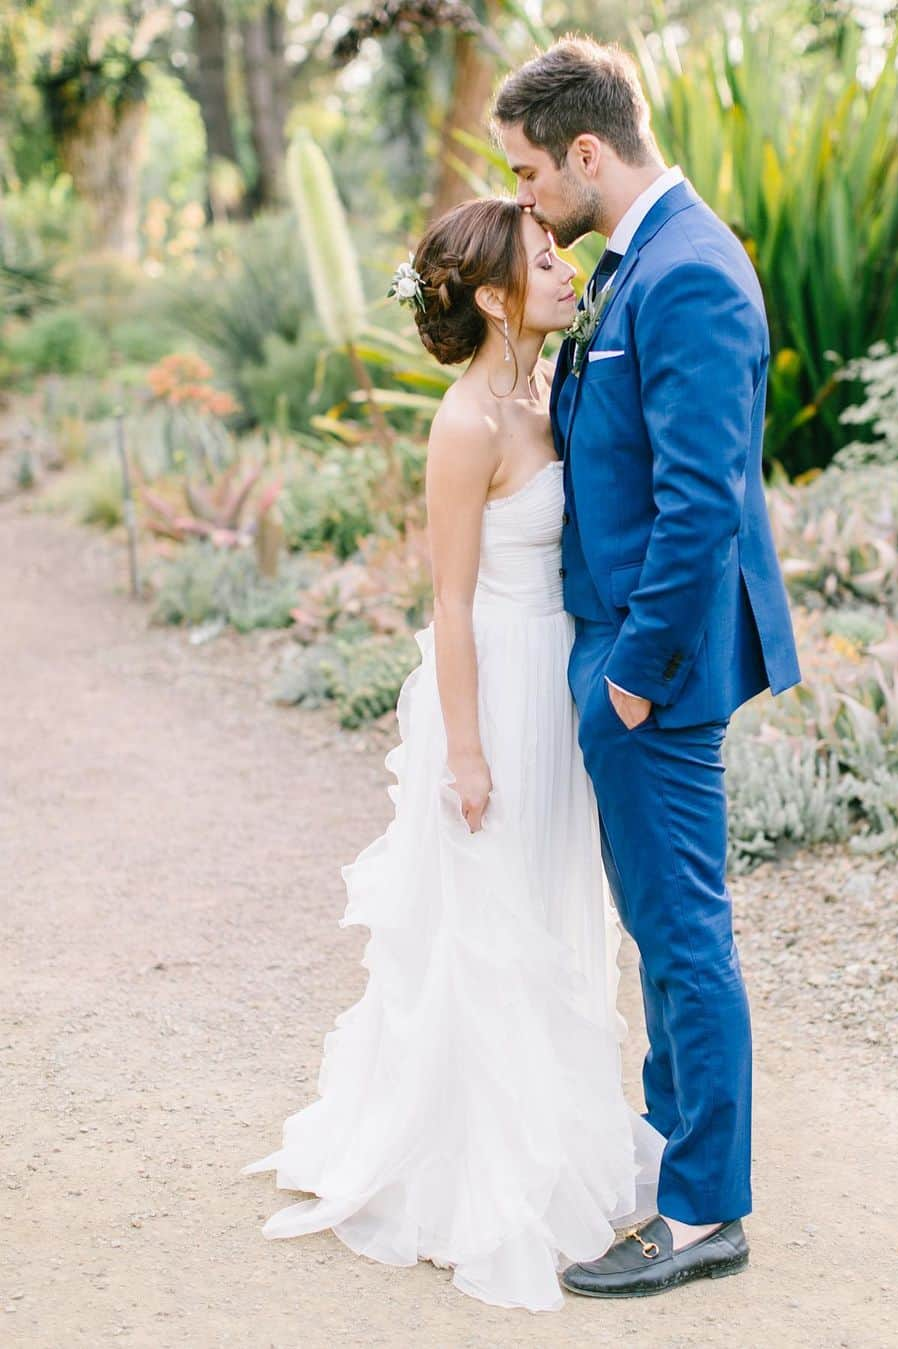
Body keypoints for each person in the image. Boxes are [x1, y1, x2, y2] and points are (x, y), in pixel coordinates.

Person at [240, 197, 664, 1313]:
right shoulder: (467, 421)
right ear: (492, 296)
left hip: (557, 678)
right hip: (491, 692)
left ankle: (553, 1129)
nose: (567, 268)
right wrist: (466, 751)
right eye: (544, 258)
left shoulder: (549, 385)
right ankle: (473, 1166)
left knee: (550, 914)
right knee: (486, 926)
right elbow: (451, 600)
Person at [491, 36, 802, 1298]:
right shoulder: (634, 268)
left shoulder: (691, 276)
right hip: (623, 655)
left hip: (653, 666)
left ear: (586, 151)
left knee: (682, 937)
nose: (523, 202)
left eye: (527, 174)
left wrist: (628, 674)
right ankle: (678, 1158)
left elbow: (701, 506)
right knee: (658, 928)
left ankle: (702, 1211)